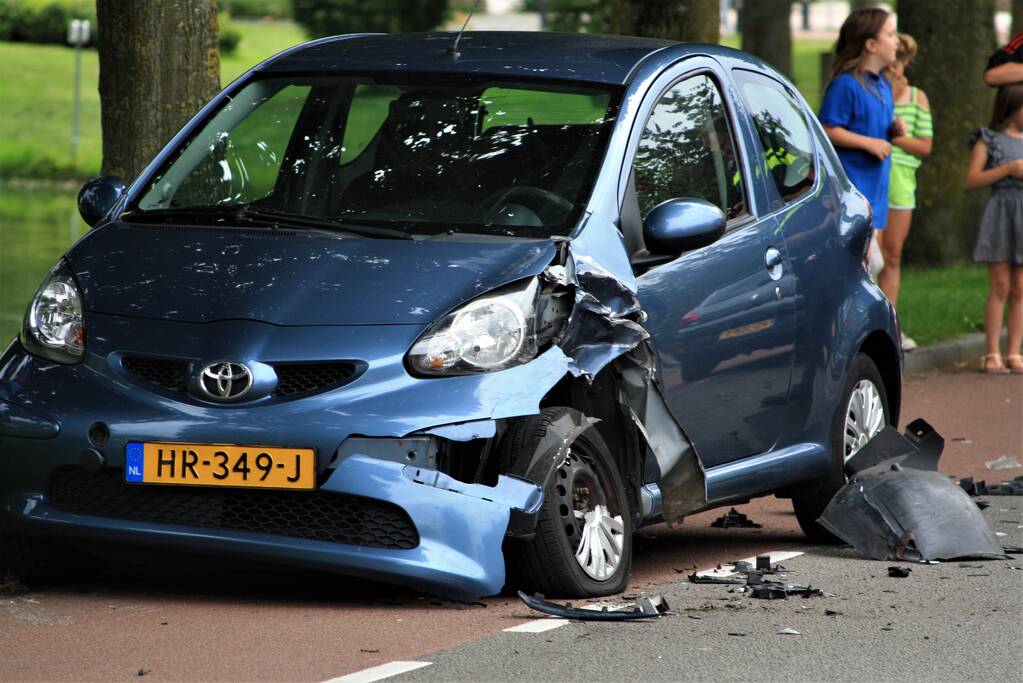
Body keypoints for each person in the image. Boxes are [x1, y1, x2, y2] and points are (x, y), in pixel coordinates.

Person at [818, 9, 904, 287]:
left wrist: (891, 130)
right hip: (853, 195)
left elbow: (871, 126)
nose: (897, 42)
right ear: (871, 44)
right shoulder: (845, 85)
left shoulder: (883, 86)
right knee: (863, 270)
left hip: (877, 193)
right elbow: (828, 129)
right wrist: (869, 143)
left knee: (871, 270)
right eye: (890, 35)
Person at [964, 84, 1023, 374]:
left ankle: (1014, 351)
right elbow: (972, 179)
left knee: (1020, 287)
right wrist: (1008, 170)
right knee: (1000, 285)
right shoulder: (989, 140)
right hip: (1001, 212)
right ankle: (992, 352)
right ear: (1012, 108)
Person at [880, 33, 932, 351]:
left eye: (903, 62)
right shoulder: (874, 90)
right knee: (871, 255)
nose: (899, 68)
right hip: (874, 175)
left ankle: (891, 325)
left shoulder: (917, 97)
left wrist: (896, 139)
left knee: (893, 255)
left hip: (901, 180)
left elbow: (925, 145)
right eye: (896, 61)